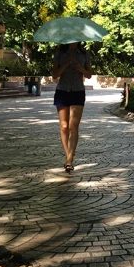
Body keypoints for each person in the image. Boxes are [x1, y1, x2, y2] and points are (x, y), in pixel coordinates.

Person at [52, 42, 92, 172]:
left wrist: (81, 69)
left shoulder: (84, 54)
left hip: (78, 91)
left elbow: (89, 74)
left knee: (73, 126)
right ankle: (68, 156)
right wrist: (66, 63)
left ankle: (69, 160)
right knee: (64, 127)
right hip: (62, 91)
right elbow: (54, 75)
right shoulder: (59, 53)